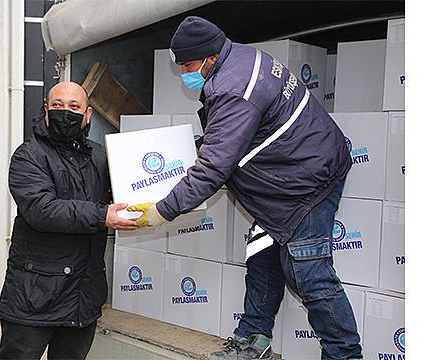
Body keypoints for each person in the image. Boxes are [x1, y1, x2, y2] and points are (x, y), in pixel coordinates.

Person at [127, 16, 362, 360]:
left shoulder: (233, 87)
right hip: (287, 176)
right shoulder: (238, 58)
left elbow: (214, 169)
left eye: (188, 66)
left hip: (307, 182)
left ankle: (345, 355)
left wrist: (161, 211)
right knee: (262, 252)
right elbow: (237, 133)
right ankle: (254, 340)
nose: (185, 74)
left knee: (309, 272)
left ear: (208, 56)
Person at [0, 81, 138, 360]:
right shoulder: (29, 156)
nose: (65, 112)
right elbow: (42, 210)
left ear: (87, 115)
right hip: (35, 293)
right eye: (58, 105)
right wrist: (102, 215)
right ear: (46, 110)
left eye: (74, 107)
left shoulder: (100, 155)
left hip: (83, 293)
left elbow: (132, 183)